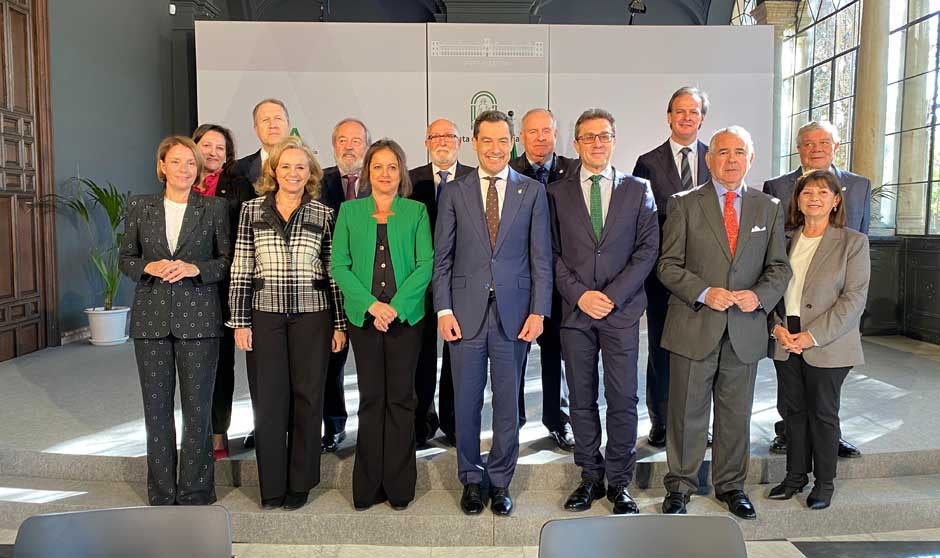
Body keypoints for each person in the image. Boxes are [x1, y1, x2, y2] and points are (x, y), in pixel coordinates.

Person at [657, 126, 791, 519]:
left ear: (750, 158)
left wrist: (761, 297)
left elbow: (779, 268)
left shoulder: (768, 207)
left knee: (736, 414)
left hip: (744, 328)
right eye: (722, 152)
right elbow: (667, 265)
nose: (731, 159)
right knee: (686, 412)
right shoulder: (683, 204)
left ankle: (731, 485)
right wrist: (702, 291)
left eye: (739, 152)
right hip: (695, 323)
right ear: (708, 158)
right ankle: (680, 485)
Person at [433, 110, 552, 516]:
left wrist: (539, 312)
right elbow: (443, 259)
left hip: (514, 316)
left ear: (512, 143)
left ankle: (500, 480)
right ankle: (470, 477)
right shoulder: (455, 192)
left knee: (507, 403)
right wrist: (443, 309)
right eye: (488, 141)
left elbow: (541, 260)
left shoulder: (532, 192)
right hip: (464, 315)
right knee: (465, 402)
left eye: (504, 141)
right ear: (474, 142)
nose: (497, 149)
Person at [228, 136, 347, 511]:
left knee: (308, 399)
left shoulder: (323, 214)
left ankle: (301, 482)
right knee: (269, 401)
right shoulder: (251, 211)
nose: (293, 173)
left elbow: (332, 271)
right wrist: (240, 321)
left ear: (310, 173)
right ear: (273, 171)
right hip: (265, 316)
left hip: (314, 316)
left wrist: (339, 324)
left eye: (301, 167)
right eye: (286, 166)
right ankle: (272, 485)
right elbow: (241, 266)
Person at [549, 109, 659, 514]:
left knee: (623, 399)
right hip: (576, 315)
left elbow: (648, 249)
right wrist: (580, 296)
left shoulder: (638, 189)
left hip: (622, 312)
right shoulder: (557, 193)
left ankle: (619, 482)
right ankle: (589, 477)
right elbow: (551, 253)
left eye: (604, 136)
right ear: (576, 144)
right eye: (588, 137)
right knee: (580, 399)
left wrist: (610, 296)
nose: (597, 143)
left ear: (614, 140)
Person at [119, 135, 231, 505]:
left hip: (199, 321)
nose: (184, 169)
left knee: (198, 411)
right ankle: (163, 491)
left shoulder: (214, 208)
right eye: (177, 161)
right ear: (162, 166)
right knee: (157, 412)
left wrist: (194, 267)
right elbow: (127, 259)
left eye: (191, 163)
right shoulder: (140, 206)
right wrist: (147, 266)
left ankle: (196, 490)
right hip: (151, 322)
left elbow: (224, 262)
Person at [332, 138, 433, 510]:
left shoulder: (416, 212)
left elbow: (426, 264)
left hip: (406, 320)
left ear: (401, 172)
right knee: (373, 399)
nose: (385, 173)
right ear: (367, 172)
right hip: (365, 320)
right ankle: (368, 485)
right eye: (378, 166)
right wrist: (372, 305)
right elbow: (339, 266)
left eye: (392, 167)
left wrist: (396, 306)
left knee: (402, 400)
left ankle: (400, 486)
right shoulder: (349, 212)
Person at [763, 120, 871, 459]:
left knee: (827, 385)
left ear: (835, 146)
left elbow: (862, 237)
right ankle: (788, 432)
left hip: (835, 298)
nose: (815, 148)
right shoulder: (777, 186)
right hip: (793, 293)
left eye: (823, 142)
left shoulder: (859, 185)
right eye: (808, 143)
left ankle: (829, 435)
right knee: (791, 382)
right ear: (799, 148)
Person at [633, 86, 711, 448]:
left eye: (693, 112)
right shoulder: (647, 163)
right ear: (668, 116)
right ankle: (661, 419)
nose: (686, 117)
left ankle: (697, 422)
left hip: (710, 276)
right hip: (663, 275)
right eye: (679, 111)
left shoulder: (717, 159)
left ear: (702, 118)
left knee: (705, 351)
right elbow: (642, 223)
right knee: (663, 350)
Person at [510, 108, 579, 452]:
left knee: (557, 355)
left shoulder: (574, 170)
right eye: (532, 132)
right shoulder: (508, 173)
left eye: (546, 131)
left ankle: (557, 421)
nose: (540, 138)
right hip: (520, 281)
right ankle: (515, 418)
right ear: (521, 137)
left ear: (556, 134)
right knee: (515, 353)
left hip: (562, 282)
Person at [408, 118, 475, 448]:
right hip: (418, 282)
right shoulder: (410, 180)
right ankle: (421, 420)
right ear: (426, 142)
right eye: (435, 136)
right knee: (420, 355)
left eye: (449, 135)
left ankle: (452, 421)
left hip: (460, 281)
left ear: (459, 141)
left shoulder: (474, 179)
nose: (443, 141)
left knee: (456, 355)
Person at [192, 123, 255, 460]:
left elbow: (246, 237)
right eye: (207, 145)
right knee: (191, 365)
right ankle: (194, 432)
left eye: (221, 148)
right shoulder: (178, 183)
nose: (213, 152)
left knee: (221, 364)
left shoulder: (239, 186)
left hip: (224, 286)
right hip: (185, 289)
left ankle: (219, 434)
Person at [318, 117, 372, 453]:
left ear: (367, 146)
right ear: (334, 144)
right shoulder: (317, 181)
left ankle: (375, 426)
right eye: (342, 140)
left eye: (356, 140)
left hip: (370, 289)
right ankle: (334, 425)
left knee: (372, 366)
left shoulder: (381, 180)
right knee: (331, 362)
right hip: (328, 287)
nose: (349, 146)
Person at [237, 98, 291, 185]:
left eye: (278, 118)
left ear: (288, 125)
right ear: (256, 129)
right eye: (265, 120)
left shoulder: (307, 166)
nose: (273, 125)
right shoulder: (237, 170)